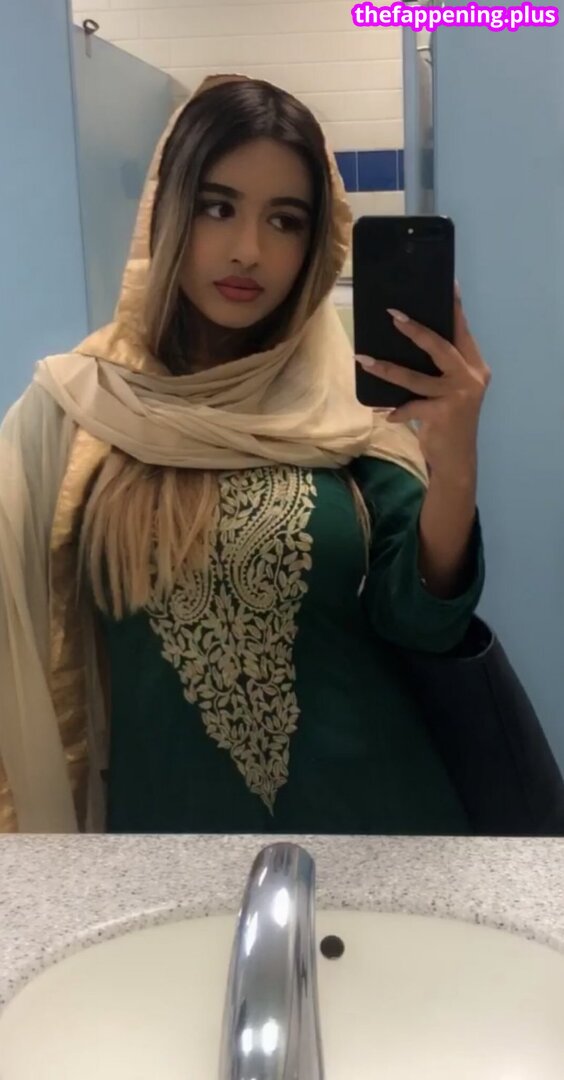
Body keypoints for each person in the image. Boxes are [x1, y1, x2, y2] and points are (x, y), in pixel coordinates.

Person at [0, 73, 491, 835]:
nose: (248, 251)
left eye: (285, 221)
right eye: (217, 207)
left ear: (316, 245)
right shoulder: (80, 409)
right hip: (161, 856)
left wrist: (453, 455)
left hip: (378, 840)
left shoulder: (344, 409)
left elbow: (423, 625)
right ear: (167, 212)